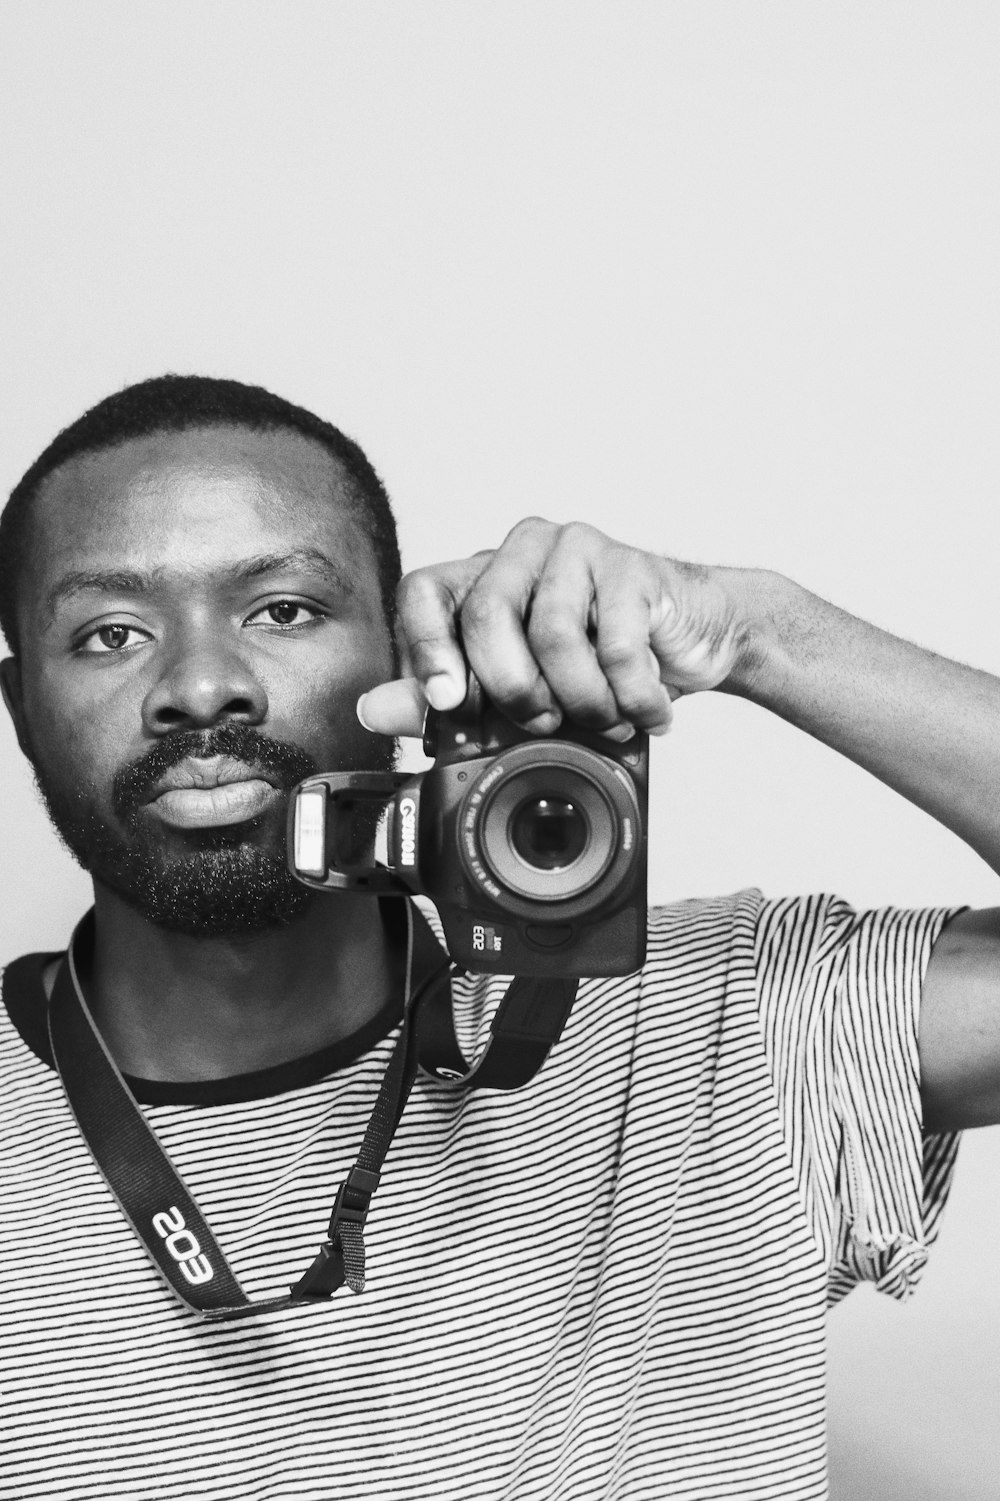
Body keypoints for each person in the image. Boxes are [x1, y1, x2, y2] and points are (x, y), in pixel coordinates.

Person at [0, 374, 996, 1501]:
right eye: (109, 631)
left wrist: (761, 633)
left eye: (282, 609)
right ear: (20, 701)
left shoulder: (717, 1031)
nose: (202, 686)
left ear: (403, 654)